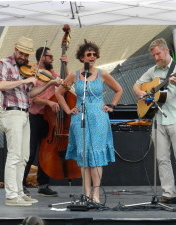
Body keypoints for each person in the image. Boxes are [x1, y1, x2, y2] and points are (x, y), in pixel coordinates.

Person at [0, 36, 62, 206]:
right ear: (15, 49)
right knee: (15, 155)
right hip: (12, 112)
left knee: (24, 157)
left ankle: (19, 192)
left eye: (26, 55)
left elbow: (30, 94)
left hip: (24, 113)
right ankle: (11, 196)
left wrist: (48, 84)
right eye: (21, 53)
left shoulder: (27, 68)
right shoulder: (4, 63)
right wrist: (23, 80)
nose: (23, 57)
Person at [56, 40, 123, 203]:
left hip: (99, 118)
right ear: (82, 58)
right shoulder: (74, 74)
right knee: (85, 158)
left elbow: (119, 89)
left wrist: (111, 106)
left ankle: (96, 195)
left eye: (94, 54)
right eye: (88, 54)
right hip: (80, 118)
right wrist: (67, 109)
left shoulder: (103, 74)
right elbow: (59, 93)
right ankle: (86, 194)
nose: (92, 57)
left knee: (96, 157)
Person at [133, 38, 176, 206]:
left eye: (158, 54)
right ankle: (169, 193)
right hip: (158, 118)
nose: (156, 58)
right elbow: (136, 85)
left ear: (166, 51)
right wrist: (141, 95)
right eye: (153, 55)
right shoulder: (153, 71)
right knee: (161, 158)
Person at [22, 46, 69, 197]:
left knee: (46, 152)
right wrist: (48, 103)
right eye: (50, 57)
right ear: (42, 58)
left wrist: (65, 66)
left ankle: (44, 184)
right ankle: (20, 184)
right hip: (35, 117)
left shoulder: (51, 73)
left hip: (49, 118)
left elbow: (66, 84)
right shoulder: (32, 74)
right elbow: (31, 97)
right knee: (30, 152)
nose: (52, 59)